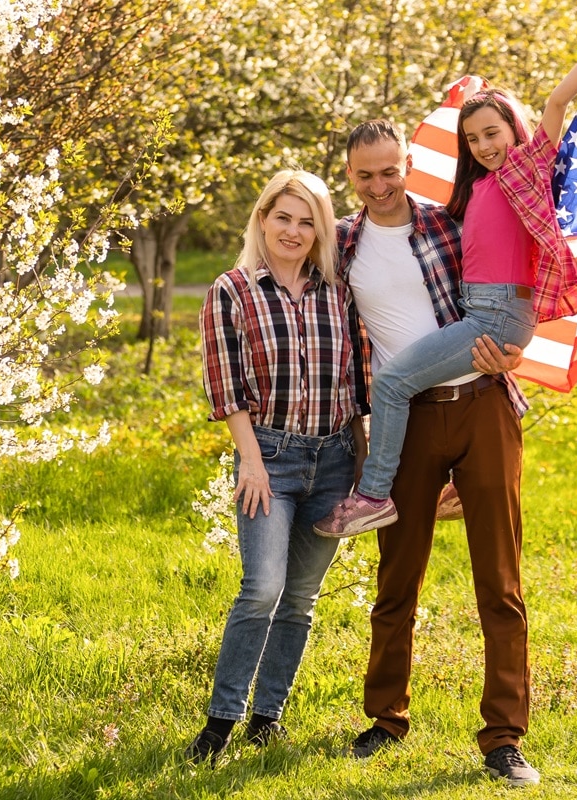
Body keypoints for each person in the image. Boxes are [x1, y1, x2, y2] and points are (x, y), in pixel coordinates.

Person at [326, 15, 577, 788]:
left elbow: (507, 291)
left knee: (499, 580)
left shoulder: (444, 222)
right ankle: (384, 720)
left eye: (390, 170)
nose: (379, 184)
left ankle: (504, 738)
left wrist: (512, 351)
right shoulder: (341, 242)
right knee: (396, 581)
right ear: (350, 179)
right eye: (363, 175)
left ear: (408, 166)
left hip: (484, 405)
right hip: (410, 421)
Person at [314, 14, 577, 540]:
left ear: (516, 127)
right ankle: (456, 483)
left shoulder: (527, 169)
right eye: (473, 139)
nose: (486, 145)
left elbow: (558, 102)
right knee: (403, 384)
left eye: (493, 132)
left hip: (500, 312)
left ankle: (373, 496)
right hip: (481, 310)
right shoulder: (471, 195)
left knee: (393, 384)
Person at [184, 169, 369, 766]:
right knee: (261, 588)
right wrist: (253, 463)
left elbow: (358, 383)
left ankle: (268, 719)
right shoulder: (232, 290)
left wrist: (364, 462)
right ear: (262, 219)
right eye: (282, 217)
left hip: (335, 459)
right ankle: (219, 725)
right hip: (269, 458)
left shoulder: (338, 293)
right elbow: (225, 387)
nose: (293, 230)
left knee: (300, 599)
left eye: (306, 220)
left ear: (321, 230)